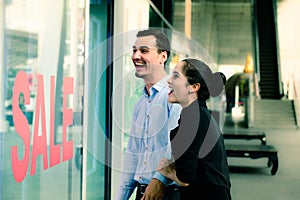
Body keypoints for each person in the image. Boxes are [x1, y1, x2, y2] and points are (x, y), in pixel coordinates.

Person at [115, 29, 182, 200]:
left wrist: (158, 180)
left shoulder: (174, 97)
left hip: (166, 193)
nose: (136, 56)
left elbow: (177, 147)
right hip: (142, 192)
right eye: (134, 50)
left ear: (163, 57)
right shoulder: (140, 104)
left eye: (144, 51)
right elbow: (132, 155)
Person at [157, 58, 232, 199]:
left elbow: (185, 178)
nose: (169, 81)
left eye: (176, 76)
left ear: (194, 87)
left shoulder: (192, 117)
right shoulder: (198, 113)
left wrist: (169, 172)